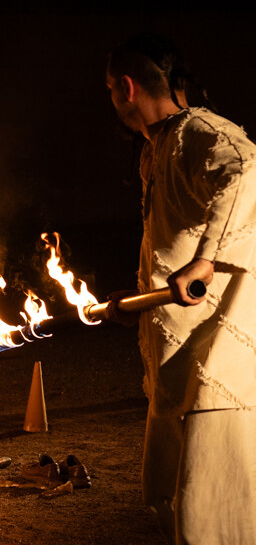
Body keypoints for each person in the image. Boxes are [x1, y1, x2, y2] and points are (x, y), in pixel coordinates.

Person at [104, 34, 256, 543]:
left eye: (110, 90)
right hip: (178, 348)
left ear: (127, 87)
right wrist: (138, 305)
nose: (112, 103)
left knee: (215, 508)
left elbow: (246, 169)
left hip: (216, 356)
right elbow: (170, 245)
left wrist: (207, 261)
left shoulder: (202, 130)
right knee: (175, 495)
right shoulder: (159, 148)